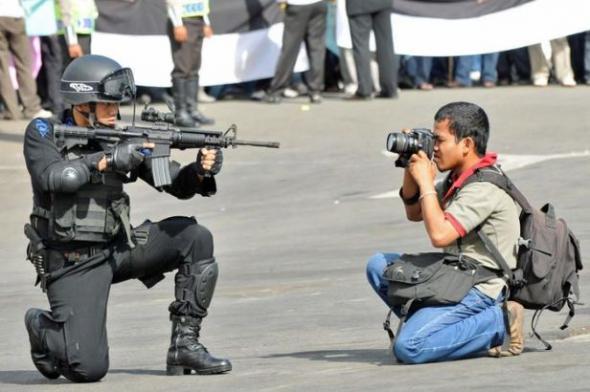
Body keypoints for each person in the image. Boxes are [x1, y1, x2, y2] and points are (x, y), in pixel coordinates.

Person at [23, 54, 231, 382]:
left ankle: (185, 346)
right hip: (72, 261)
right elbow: (56, 177)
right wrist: (106, 161)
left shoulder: (120, 135)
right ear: (83, 103)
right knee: (88, 369)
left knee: (196, 237)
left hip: (120, 248)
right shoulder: (44, 131)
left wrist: (200, 171)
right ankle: (43, 327)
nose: (114, 113)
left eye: (116, 106)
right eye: (106, 105)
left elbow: (175, 184)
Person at [366, 102, 524, 363]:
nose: (434, 147)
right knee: (379, 266)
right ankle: (436, 326)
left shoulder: (482, 188)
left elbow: (440, 235)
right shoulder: (458, 178)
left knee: (410, 348)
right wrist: (410, 163)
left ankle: (499, 321)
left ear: (467, 145)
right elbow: (415, 212)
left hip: (481, 286)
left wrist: (426, 181)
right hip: (455, 275)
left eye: (439, 140)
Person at [263, 0, 328, 104]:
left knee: (290, 49)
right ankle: (316, 90)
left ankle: (277, 90)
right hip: (318, 4)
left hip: (297, 5)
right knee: (316, 49)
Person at [0, 0, 52, 120]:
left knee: (2, 66)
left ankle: (11, 110)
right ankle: (31, 108)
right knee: (23, 64)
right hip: (15, 15)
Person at [166, 0, 215, 127]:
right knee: (182, 68)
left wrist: (206, 21)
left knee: (194, 68)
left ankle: (192, 110)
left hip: (198, 20)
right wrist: (177, 24)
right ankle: (180, 113)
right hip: (183, 21)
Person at [345, 0, 398, 99]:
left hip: (359, 5)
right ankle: (389, 88)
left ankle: (364, 90)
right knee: (386, 45)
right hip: (382, 3)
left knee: (361, 46)